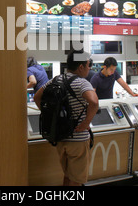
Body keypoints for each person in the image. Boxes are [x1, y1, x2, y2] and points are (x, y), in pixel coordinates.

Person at [34, 51, 99, 186]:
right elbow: (94, 102)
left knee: (68, 175)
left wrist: (50, 116)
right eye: (88, 65)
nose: (89, 68)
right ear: (80, 67)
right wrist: (86, 123)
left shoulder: (55, 80)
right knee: (76, 180)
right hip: (78, 139)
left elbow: (37, 97)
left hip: (60, 137)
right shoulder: (82, 83)